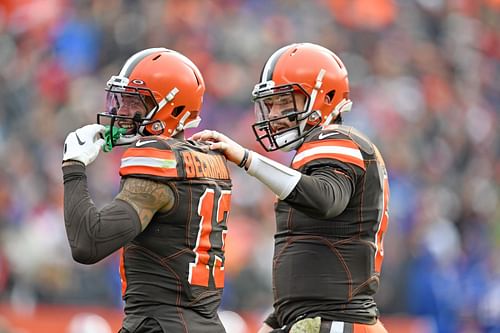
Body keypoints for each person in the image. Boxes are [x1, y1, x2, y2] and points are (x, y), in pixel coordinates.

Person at [191, 43, 390, 333]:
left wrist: (247, 159)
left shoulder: (337, 138)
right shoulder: (315, 151)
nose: (274, 113)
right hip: (322, 319)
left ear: (325, 97)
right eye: (270, 104)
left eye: (285, 102)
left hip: (338, 322)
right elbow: (309, 257)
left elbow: (326, 200)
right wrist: (275, 319)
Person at [62, 48, 233, 333]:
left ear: (173, 107)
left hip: (160, 324)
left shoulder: (156, 159)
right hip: (206, 323)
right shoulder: (210, 158)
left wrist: (73, 166)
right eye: (122, 100)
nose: (121, 111)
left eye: (134, 102)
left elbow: (88, 243)